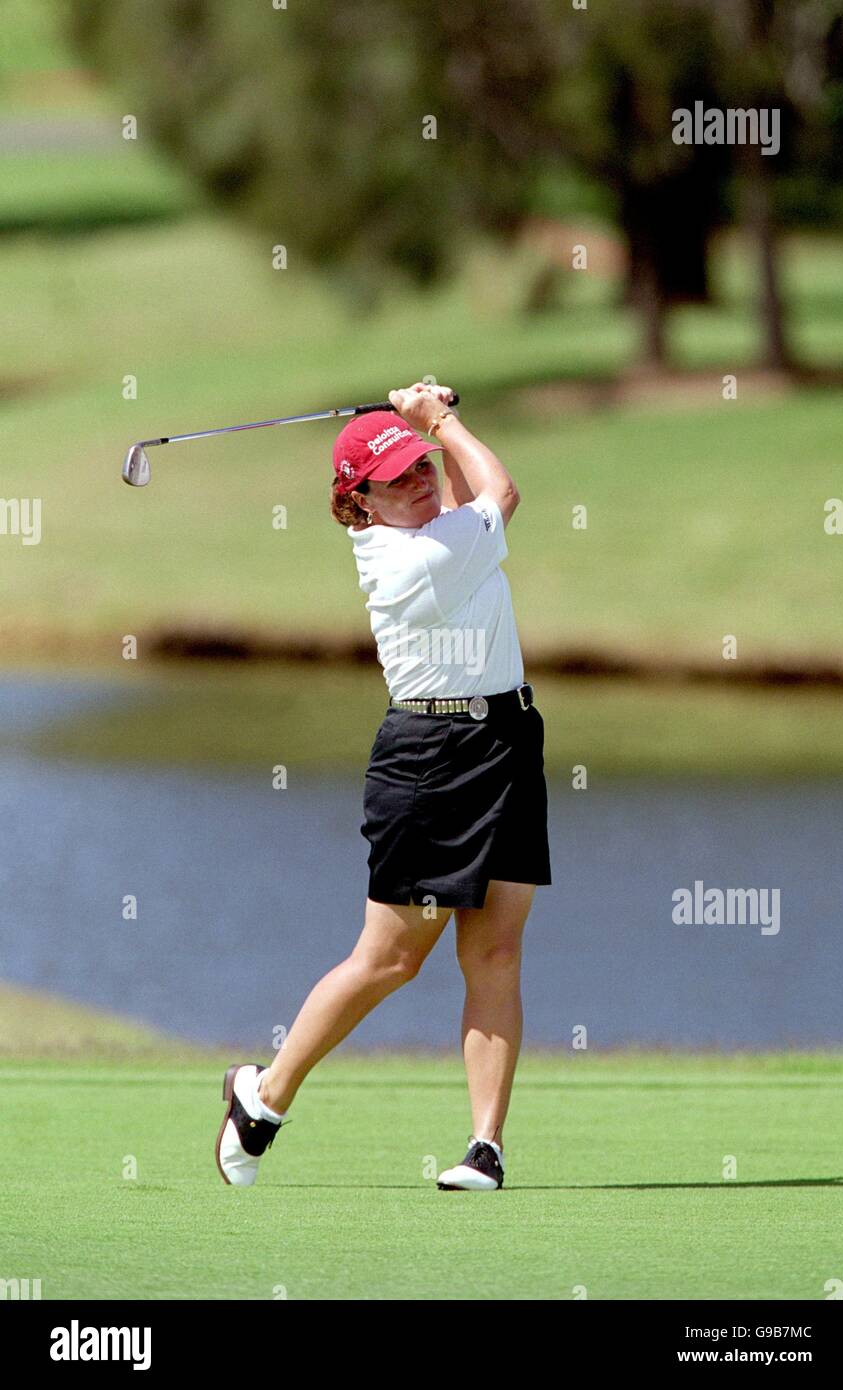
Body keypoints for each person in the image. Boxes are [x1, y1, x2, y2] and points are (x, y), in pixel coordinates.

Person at [215, 381, 551, 1191]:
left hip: (506, 739)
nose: (420, 479)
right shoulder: (404, 557)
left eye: (421, 467)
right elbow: (502, 492)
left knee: (496, 949)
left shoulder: (443, 529)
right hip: (430, 759)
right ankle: (262, 1095)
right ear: (356, 502)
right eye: (397, 476)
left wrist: (430, 425)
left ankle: (485, 1148)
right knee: (391, 961)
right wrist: (438, 419)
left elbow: (474, 494)